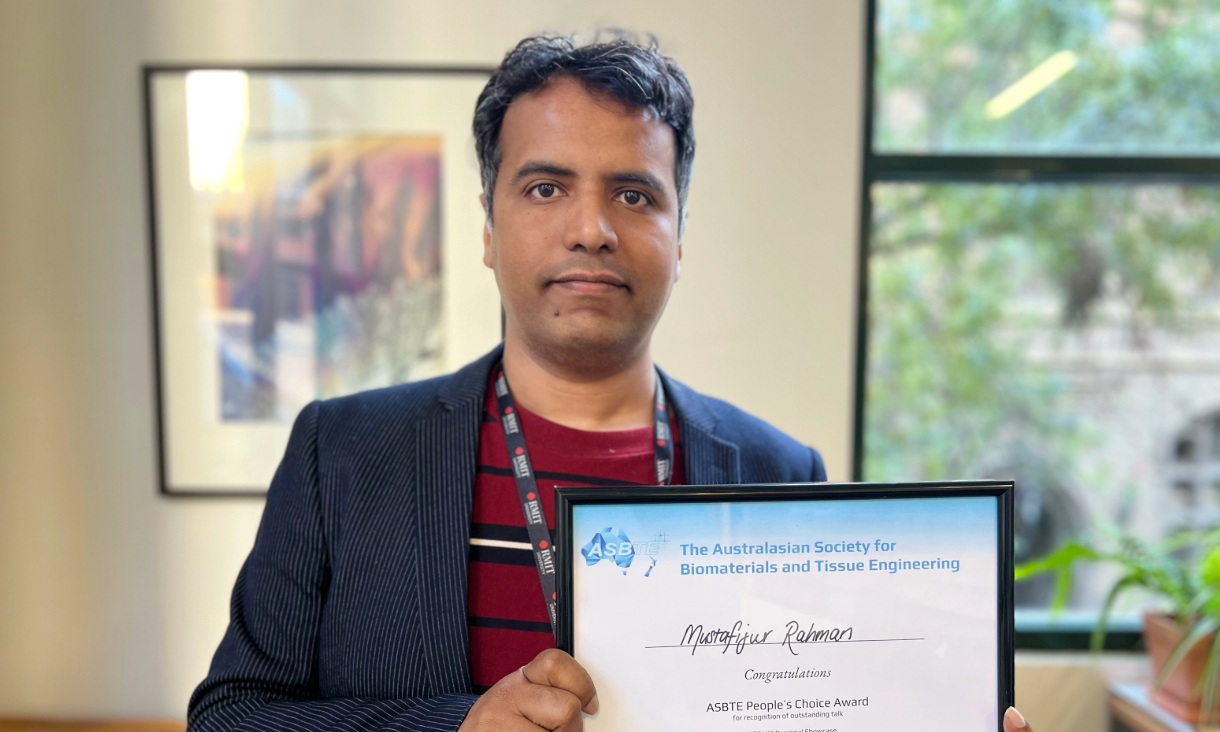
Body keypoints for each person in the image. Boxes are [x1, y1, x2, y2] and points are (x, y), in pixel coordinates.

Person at [188, 34, 1037, 732]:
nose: (591, 229)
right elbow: (229, 717)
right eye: (546, 187)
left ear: (680, 236)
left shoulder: (780, 474)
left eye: (634, 195)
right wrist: (454, 727)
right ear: (488, 227)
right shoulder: (342, 453)